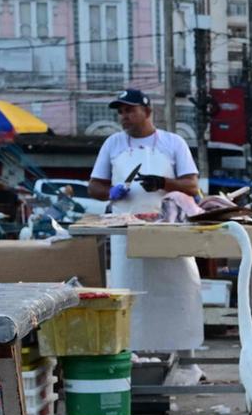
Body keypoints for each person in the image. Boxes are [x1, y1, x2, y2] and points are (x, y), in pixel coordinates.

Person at [88, 88, 205, 352]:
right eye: (121, 112)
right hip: (126, 232)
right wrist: (111, 191)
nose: (124, 116)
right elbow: (94, 187)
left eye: (130, 110)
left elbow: (192, 185)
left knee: (177, 291)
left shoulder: (173, 142)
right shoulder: (113, 144)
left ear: (148, 111)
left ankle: (185, 357)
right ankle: (132, 355)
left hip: (169, 230)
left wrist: (163, 183)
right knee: (130, 293)